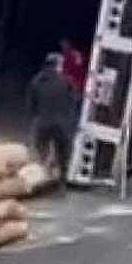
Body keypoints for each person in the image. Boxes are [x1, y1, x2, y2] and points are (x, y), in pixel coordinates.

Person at [27, 53, 79, 182]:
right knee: (63, 154)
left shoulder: (36, 80)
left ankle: (42, 175)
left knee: (41, 151)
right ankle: (62, 178)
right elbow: (75, 100)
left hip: (42, 122)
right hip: (62, 125)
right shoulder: (67, 81)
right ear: (58, 65)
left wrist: (37, 117)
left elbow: (31, 105)